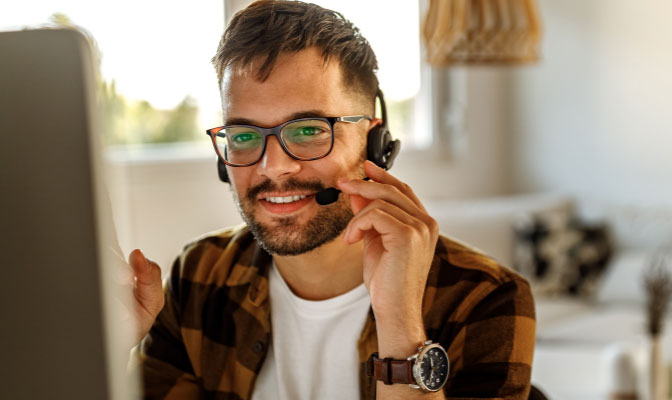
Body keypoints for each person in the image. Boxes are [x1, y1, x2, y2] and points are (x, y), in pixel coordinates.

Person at [127, 1, 536, 399]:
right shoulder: (197, 276)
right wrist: (107, 350)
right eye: (245, 136)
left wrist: (401, 326)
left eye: (308, 131)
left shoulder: (485, 297)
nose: (273, 168)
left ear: (374, 144)